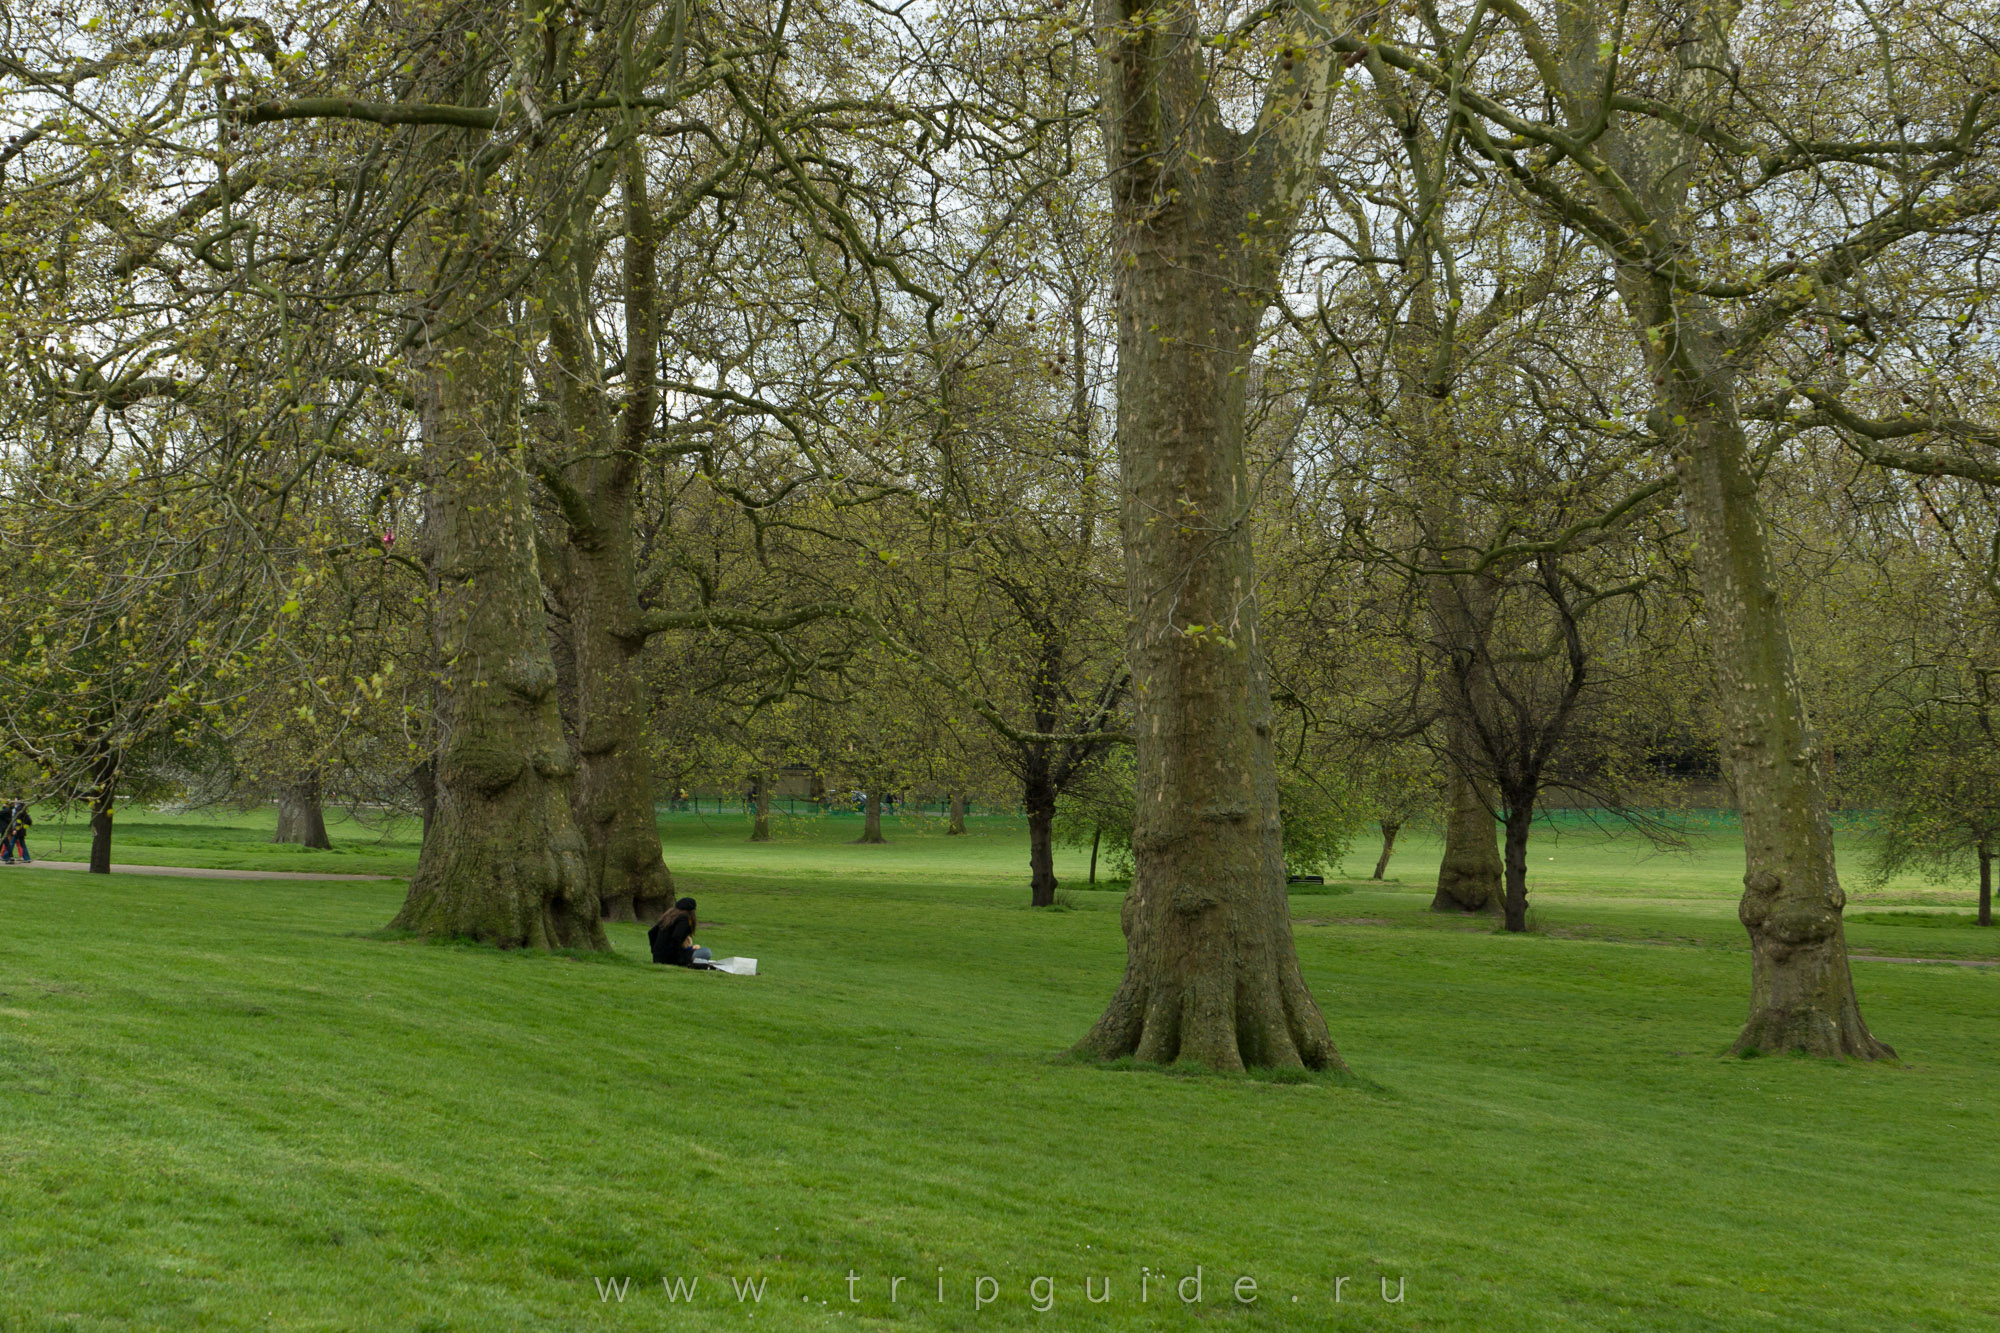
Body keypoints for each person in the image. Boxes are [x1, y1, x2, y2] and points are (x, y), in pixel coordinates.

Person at [648, 897, 713, 968]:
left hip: (658, 958)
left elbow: (651, 933)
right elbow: (676, 938)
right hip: (671, 958)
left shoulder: (667, 918)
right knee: (706, 952)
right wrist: (680, 958)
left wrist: (655, 952)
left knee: (699, 951)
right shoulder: (684, 920)